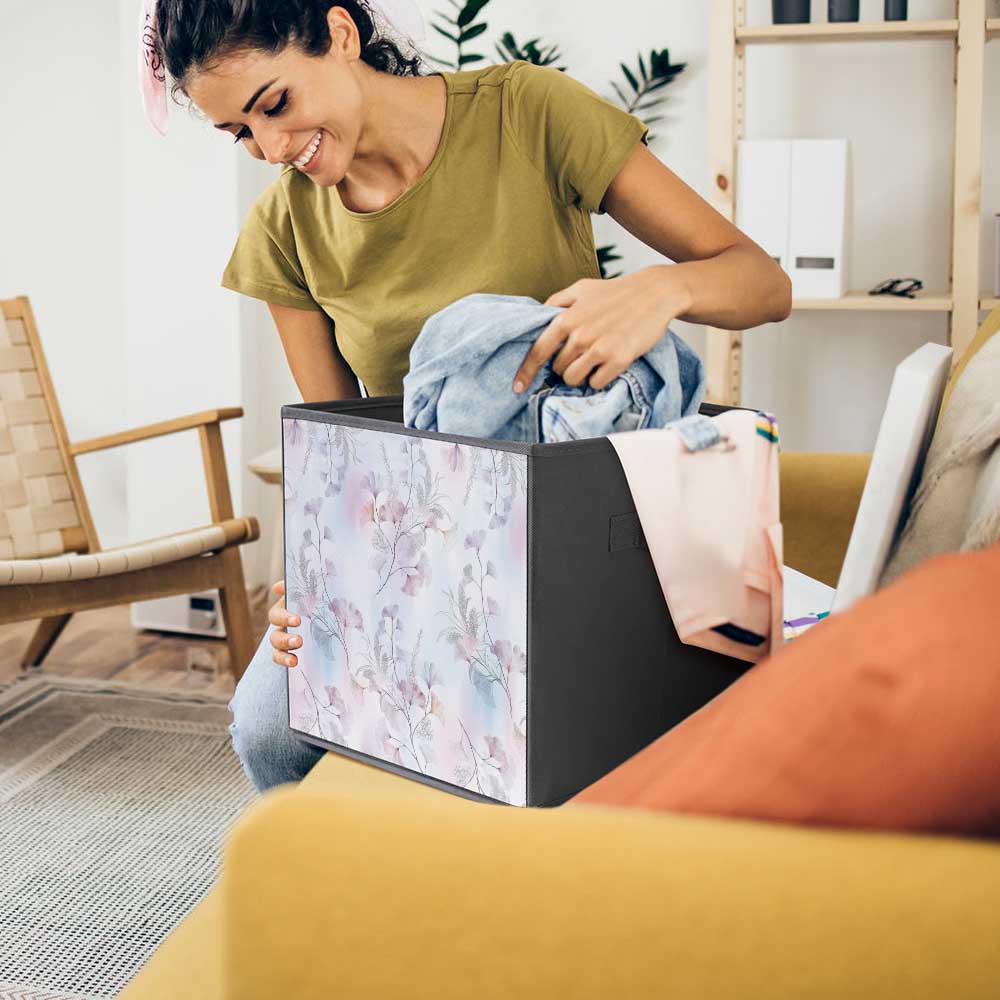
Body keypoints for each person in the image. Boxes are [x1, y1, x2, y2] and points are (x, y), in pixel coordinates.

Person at [151, 0, 791, 791]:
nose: (272, 148)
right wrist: (312, 587)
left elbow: (764, 285)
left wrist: (661, 290)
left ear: (340, 35)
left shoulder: (527, 112)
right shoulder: (284, 228)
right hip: (429, 549)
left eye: (275, 103)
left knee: (532, 734)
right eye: (240, 133)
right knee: (269, 728)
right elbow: (338, 461)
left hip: (584, 524)